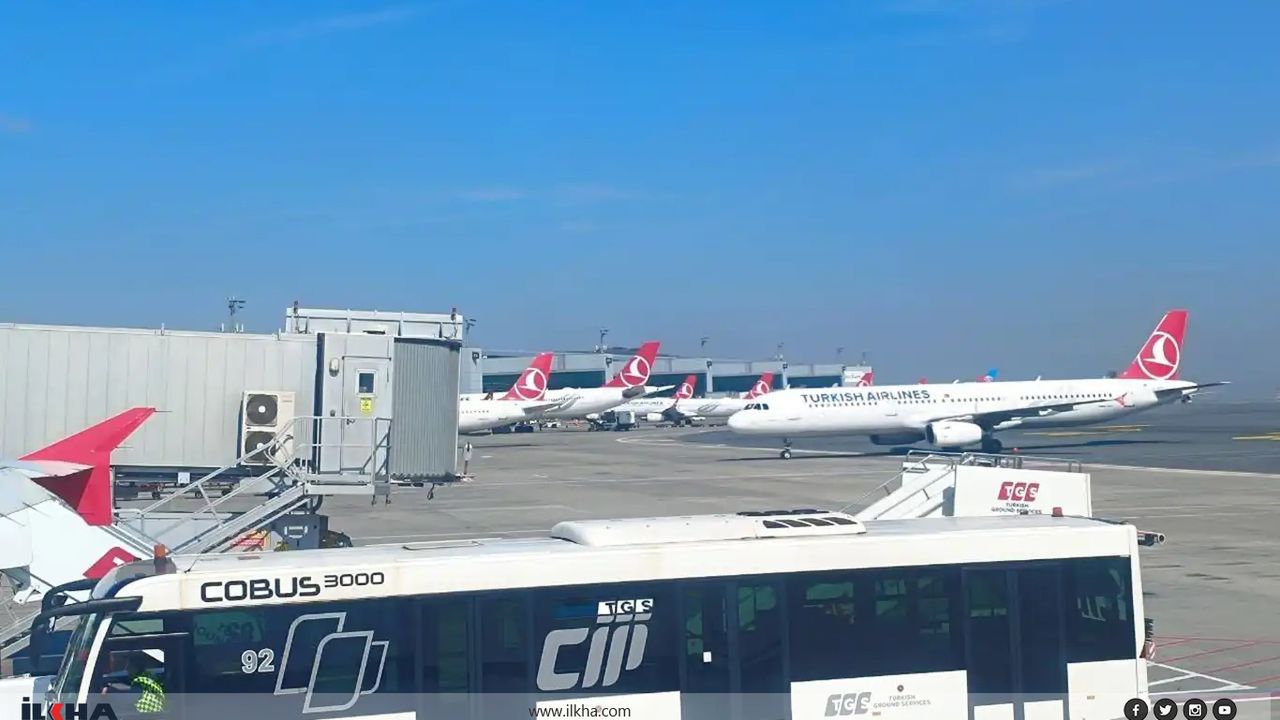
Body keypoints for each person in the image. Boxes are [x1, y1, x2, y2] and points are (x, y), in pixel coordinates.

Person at [101, 651, 166, 714]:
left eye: (129, 665)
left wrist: (110, 691)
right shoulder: (146, 675)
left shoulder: (142, 680)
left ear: (136, 667)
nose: (127, 669)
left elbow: (130, 698)